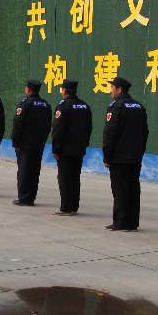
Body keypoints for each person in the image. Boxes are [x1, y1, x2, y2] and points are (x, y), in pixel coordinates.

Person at [102, 77, 149, 232]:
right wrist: (139, 153)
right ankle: (132, 222)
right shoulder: (139, 106)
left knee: (120, 190)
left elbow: (110, 134)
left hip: (119, 158)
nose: (111, 91)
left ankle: (121, 222)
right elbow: (145, 133)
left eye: (112, 87)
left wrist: (107, 157)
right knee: (133, 189)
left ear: (119, 89)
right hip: (135, 157)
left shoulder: (116, 107)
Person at [50, 78, 92, 216]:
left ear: (65, 91)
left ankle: (67, 208)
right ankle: (74, 206)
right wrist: (84, 144)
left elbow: (58, 130)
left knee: (65, 179)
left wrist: (56, 149)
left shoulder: (63, 106)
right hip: (79, 149)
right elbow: (89, 128)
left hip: (65, 150)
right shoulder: (84, 106)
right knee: (75, 177)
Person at [11, 79, 52, 206]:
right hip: (39, 144)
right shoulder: (45, 104)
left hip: (25, 144)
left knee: (24, 170)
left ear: (28, 89)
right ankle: (31, 197)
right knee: (34, 171)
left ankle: (24, 197)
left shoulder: (25, 103)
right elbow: (48, 125)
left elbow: (18, 125)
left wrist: (16, 142)